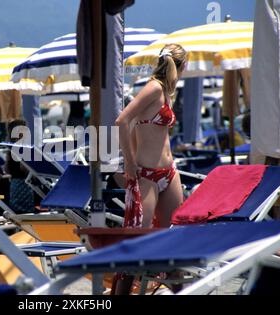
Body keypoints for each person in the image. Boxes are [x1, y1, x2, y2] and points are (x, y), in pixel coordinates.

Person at [114, 43, 188, 295]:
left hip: (169, 172)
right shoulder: (154, 88)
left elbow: (136, 126)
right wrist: (129, 162)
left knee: (174, 242)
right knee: (138, 245)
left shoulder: (166, 91)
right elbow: (122, 120)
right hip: (146, 175)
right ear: (182, 66)